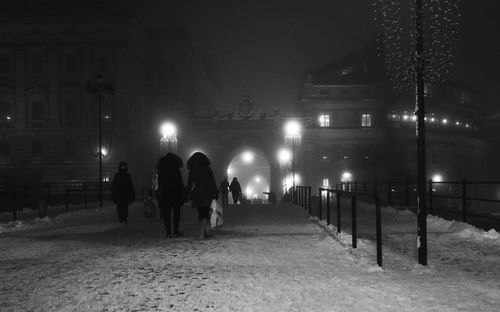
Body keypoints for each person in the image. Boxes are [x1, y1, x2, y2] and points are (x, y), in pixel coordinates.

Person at [185, 152, 218, 240]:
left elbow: (189, 184)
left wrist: (186, 194)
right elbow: (212, 182)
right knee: (206, 213)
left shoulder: (192, 170)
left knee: (201, 213)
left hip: (198, 193)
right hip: (207, 193)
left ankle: (202, 231)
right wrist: (216, 192)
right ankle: (203, 231)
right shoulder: (208, 169)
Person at [157, 152, 185, 238]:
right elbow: (180, 183)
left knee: (166, 214)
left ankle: (168, 233)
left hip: (165, 193)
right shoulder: (176, 171)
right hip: (175, 193)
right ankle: (175, 231)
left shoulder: (161, 170)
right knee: (176, 212)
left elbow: (160, 182)